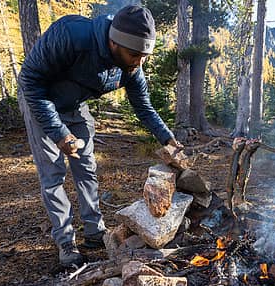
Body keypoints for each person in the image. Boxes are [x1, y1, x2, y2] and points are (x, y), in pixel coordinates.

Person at [18, 5, 182, 267]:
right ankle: (66, 242)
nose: (139, 62)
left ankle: (95, 232)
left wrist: (166, 137)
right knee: (53, 174)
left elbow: (143, 106)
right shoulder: (72, 35)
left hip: (75, 104)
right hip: (40, 99)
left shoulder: (130, 66)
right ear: (114, 42)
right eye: (134, 55)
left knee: (86, 168)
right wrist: (59, 132)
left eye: (144, 56)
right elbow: (31, 80)